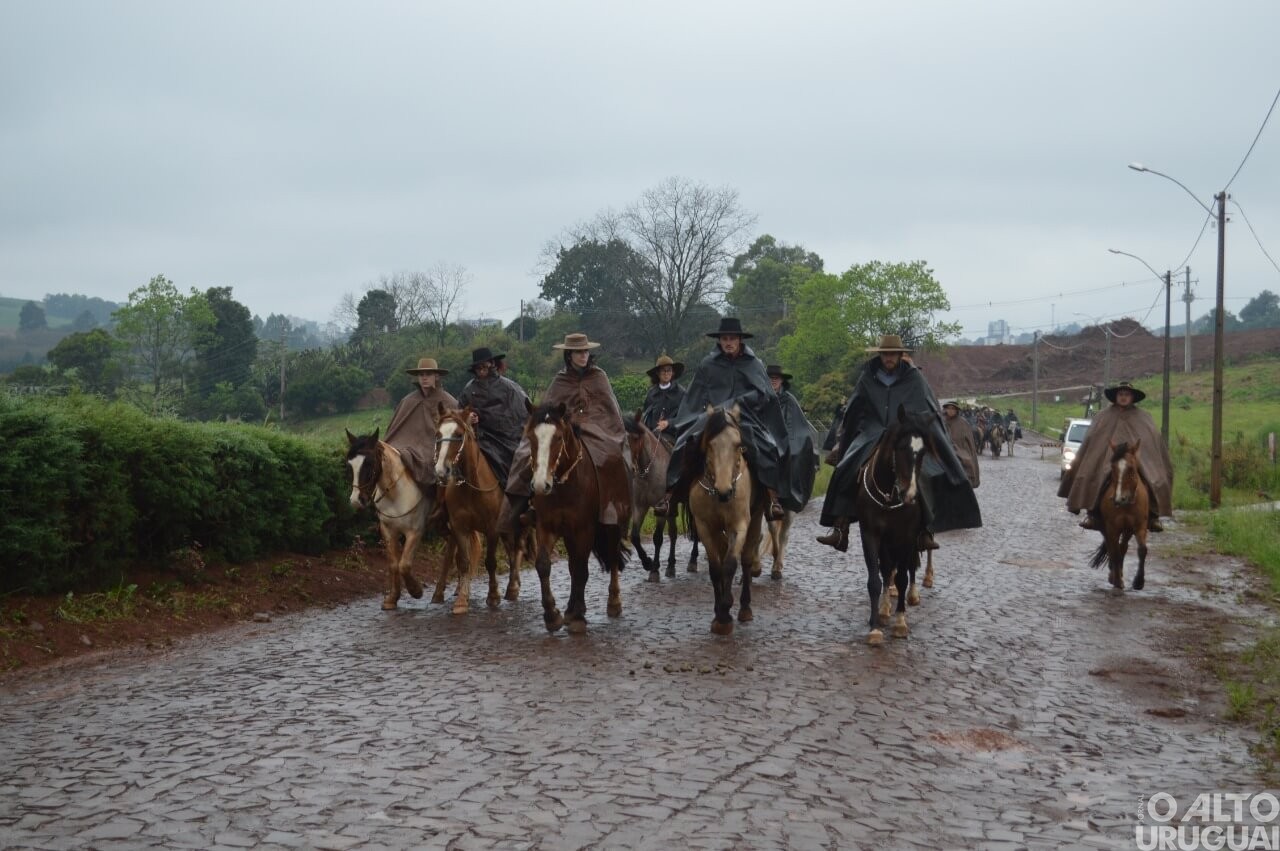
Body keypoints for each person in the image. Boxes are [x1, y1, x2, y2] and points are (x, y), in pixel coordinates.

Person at [817, 334, 981, 552]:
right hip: (872, 435)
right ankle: (841, 527)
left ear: (900, 355)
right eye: (885, 354)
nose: (888, 358)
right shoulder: (867, 376)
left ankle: (925, 530)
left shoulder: (914, 378)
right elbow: (855, 408)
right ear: (880, 355)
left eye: (892, 354)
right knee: (845, 468)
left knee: (924, 474)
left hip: (905, 434)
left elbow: (928, 408)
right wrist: (850, 432)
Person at [656, 317, 789, 521]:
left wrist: (739, 402)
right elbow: (695, 395)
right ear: (719, 341)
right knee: (684, 444)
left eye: (732, 338)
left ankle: (772, 499)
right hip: (712, 418)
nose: (728, 342)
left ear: (739, 340)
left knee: (767, 447)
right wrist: (689, 420)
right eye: (724, 338)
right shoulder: (708, 364)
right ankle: (669, 495)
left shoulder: (754, 363)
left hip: (744, 417)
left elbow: (765, 394)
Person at [503, 333, 632, 529]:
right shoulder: (560, 379)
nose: (583, 355)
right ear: (569, 355)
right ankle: (524, 507)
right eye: (578, 352)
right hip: (565, 428)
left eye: (586, 351)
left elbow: (610, 410)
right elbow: (548, 407)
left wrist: (591, 423)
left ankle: (612, 507)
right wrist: (558, 420)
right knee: (524, 453)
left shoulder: (599, 376)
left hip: (598, 429)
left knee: (613, 455)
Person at [1058, 381, 1172, 532]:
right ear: (1116, 396)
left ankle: (1153, 516)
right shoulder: (1103, 416)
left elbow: (1153, 440)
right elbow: (1092, 441)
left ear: (1132, 397)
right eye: (1121, 394)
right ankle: (1092, 514)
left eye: (1127, 394)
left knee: (1156, 479)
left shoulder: (1144, 417)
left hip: (1135, 459)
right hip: (1106, 458)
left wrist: (1141, 456)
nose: (1123, 397)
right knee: (1090, 475)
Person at [457, 346, 530, 487]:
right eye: (478, 367)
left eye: (484, 365)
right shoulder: (469, 389)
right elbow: (459, 412)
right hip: (477, 436)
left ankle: (515, 494)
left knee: (517, 462)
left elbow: (522, 415)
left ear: (492, 364)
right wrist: (468, 418)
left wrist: (484, 417)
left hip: (505, 438)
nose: (482, 369)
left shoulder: (510, 388)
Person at [383, 357, 457, 488]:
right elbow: (395, 430)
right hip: (407, 446)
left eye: (428, 374)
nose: (424, 378)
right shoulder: (408, 401)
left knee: (437, 465)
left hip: (435, 448)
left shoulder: (448, 401)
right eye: (421, 375)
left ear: (436, 376)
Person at [766, 365, 819, 509]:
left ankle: (784, 497)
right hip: (763, 439)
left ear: (782, 380)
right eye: (770, 378)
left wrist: (788, 443)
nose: (773, 381)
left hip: (785, 441)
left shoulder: (790, 400)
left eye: (776, 379)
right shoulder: (760, 397)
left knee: (795, 456)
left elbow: (798, 427)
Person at [641, 354, 686, 446]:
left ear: (672, 372)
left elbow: (686, 417)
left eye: (669, 370)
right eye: (663, 370)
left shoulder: (681, 393)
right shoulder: (651, 394)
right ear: (657, 373)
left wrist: (668, 423)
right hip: (652, 436)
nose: (666, 373)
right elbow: (646, 416)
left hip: (674, 437)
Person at [941, 400, 980, 489]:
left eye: (953, 409)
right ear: (945, 409)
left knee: (966, 464)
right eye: (949, 408)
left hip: (960, 452)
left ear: (956, 410)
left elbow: (970, 443)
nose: (950, 410)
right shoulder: (941, 421)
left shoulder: (963, 423)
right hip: (943, 452)